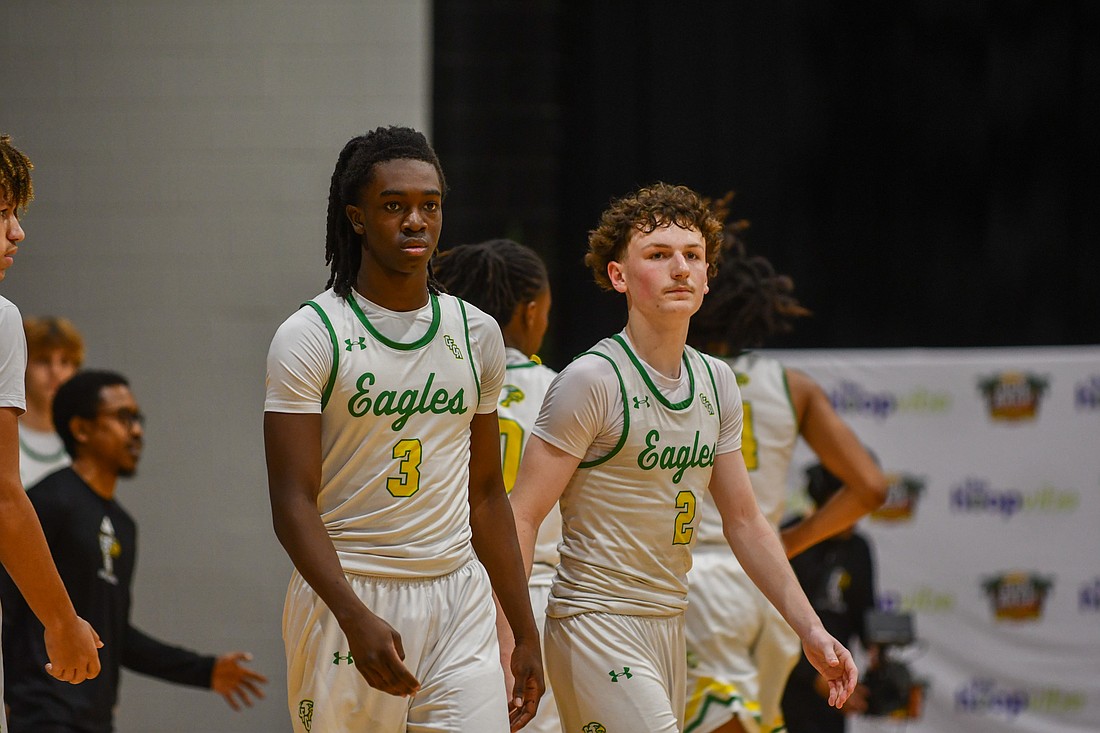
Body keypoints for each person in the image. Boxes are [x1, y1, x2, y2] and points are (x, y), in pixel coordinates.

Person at [506, 182, 857, 733]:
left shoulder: (716, 381)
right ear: (619, 276)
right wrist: (515, 637)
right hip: (595, 620)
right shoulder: (591, 379)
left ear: (708, 275)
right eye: (658, 255)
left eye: (693, 255)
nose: (680, 269)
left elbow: (746, 522)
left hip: (671, 619)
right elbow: (522, 515)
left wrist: (809, 628)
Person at [263, 126, 543, 733]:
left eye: (429, 205)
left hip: (458, 596)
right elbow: (291, 501)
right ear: (357, 218)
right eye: (394, 206)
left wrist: (524, 631)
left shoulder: (476, 333)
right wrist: (351, 614)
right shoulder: (310, 335)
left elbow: (487, 494)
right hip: (351, 591)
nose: (416, 221)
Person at [682, 205, 888, 733]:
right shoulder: (792, 386)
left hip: (693, 579)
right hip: (767, 587)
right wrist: (790, 543)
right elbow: (870, 487)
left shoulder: (663, 375)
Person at [0, 369, 268, 732]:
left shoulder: (123, 525)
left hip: (96, 720)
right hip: (40, 714)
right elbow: (8, 606)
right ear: (81, 429)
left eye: (137, 419)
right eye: (123, 417)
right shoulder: (47, 503)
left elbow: (115, 635)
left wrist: (204, 671)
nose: (137, 431)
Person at [434, 238, 562, 733]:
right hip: (534, 598)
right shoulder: (564, 389)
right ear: (530, 313)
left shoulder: (438, 386)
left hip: (449, 595)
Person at [0, 133, 102, 727]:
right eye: (2, 213)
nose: (17, 232)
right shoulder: (2, 318)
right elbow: (3, 497)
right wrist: (62, 623)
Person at [781, 462, 878, 733]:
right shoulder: (790, 539)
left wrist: (881, 658)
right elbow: (772, 619)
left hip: (834, 688)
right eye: (851, 506)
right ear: (828, 500)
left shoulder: (858, 549)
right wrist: (813, 675)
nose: (856, 516)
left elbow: (865, 615)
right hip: (785, 685)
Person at [19, 316, 84, 488]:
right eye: (43, 360)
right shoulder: (4, 431)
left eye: (65, 362)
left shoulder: (84, 438)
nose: (55, 371)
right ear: (22, 366)